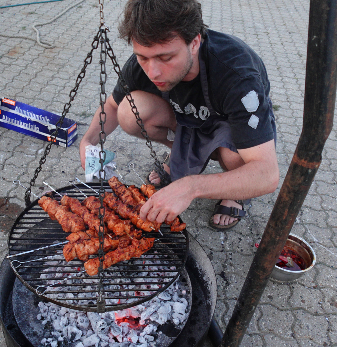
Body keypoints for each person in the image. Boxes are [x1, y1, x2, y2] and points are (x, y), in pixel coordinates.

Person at [79, 0, 279, 231]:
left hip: (227, 124)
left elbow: (267, 173)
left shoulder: (237, 74)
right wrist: (88, 140)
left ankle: (236, 194)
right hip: (186, 118)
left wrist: (191, 187)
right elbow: (112, 107)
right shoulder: (142, 62)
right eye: (143, 57)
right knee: (129, 110)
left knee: (237, 158)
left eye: (166, 58)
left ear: (194, 42)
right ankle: (179, 153)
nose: (153, 71)